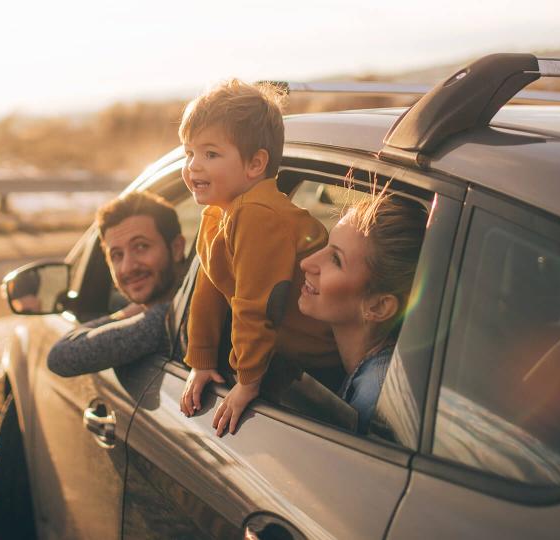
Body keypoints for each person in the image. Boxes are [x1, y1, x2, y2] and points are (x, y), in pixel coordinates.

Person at [177, 79, 338, 436]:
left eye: (210, 154)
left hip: (320, 364)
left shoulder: (257, 214)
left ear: (255, 164)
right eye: (189, 153)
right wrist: (201, 361)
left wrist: (247, 381)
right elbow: (209, 291)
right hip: (288, 357)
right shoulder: (219, 213)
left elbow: (256, 305)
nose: (194, 167)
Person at [297, 192, 427, 432]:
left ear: (378, 307)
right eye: (326, 246)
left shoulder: (373, 399)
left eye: (336, 259)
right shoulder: (379, 373)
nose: (307, 263)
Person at [47, 191, 186, 377]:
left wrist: (130, 313)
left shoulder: (173, 318)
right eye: (117, 255)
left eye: (141, 246)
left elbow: (61, 356)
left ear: (177, 248)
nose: (128, 267)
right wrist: (136, 310)